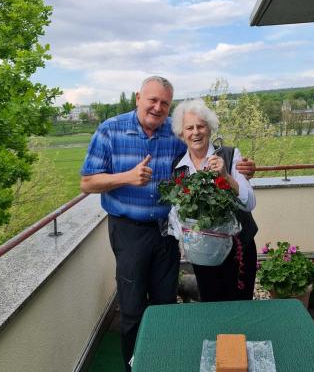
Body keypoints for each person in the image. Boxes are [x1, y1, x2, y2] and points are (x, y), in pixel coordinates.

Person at [80, 76, 255, 371]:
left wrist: (244, 170)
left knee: (165, 303)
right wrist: (126, 177)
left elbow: (206, 155)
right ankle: (134, 366)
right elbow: (86, 182)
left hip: (166, 235)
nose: (158, 107)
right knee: (133, 307)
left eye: (164, 103)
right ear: (138, 98)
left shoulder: (173, 137)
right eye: (152, 100)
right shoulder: (110, 130)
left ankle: (162, 363)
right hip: (129, 231)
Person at [170, 99, 258, 302]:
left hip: (238, 250)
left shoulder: (230, 155)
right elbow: (176, 213)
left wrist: (226, 176)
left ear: (210, 128)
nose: (196, 132)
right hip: (203, 253)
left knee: (239, 305)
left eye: (201, 126)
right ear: (182, 134)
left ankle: (238, 335)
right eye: (189, 128)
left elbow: (249, 203)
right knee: (210, 303)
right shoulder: (179, 167)